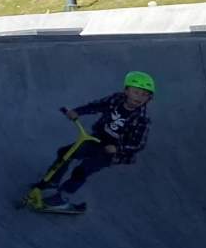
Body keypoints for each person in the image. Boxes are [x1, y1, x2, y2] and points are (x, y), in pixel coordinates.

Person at [31, 71, 154, 210]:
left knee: (82, 170)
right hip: (97, 138)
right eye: (136, 92)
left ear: (149, 98)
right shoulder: (116, 99)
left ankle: (61, 198)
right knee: (65, 153)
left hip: (113, 152)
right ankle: (51, 183)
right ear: (126, 91)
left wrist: (117, 149)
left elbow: (138, 144)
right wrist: (77, 111)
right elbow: (96, 105)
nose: (139, 97)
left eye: (145, 95)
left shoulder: (142, 119)